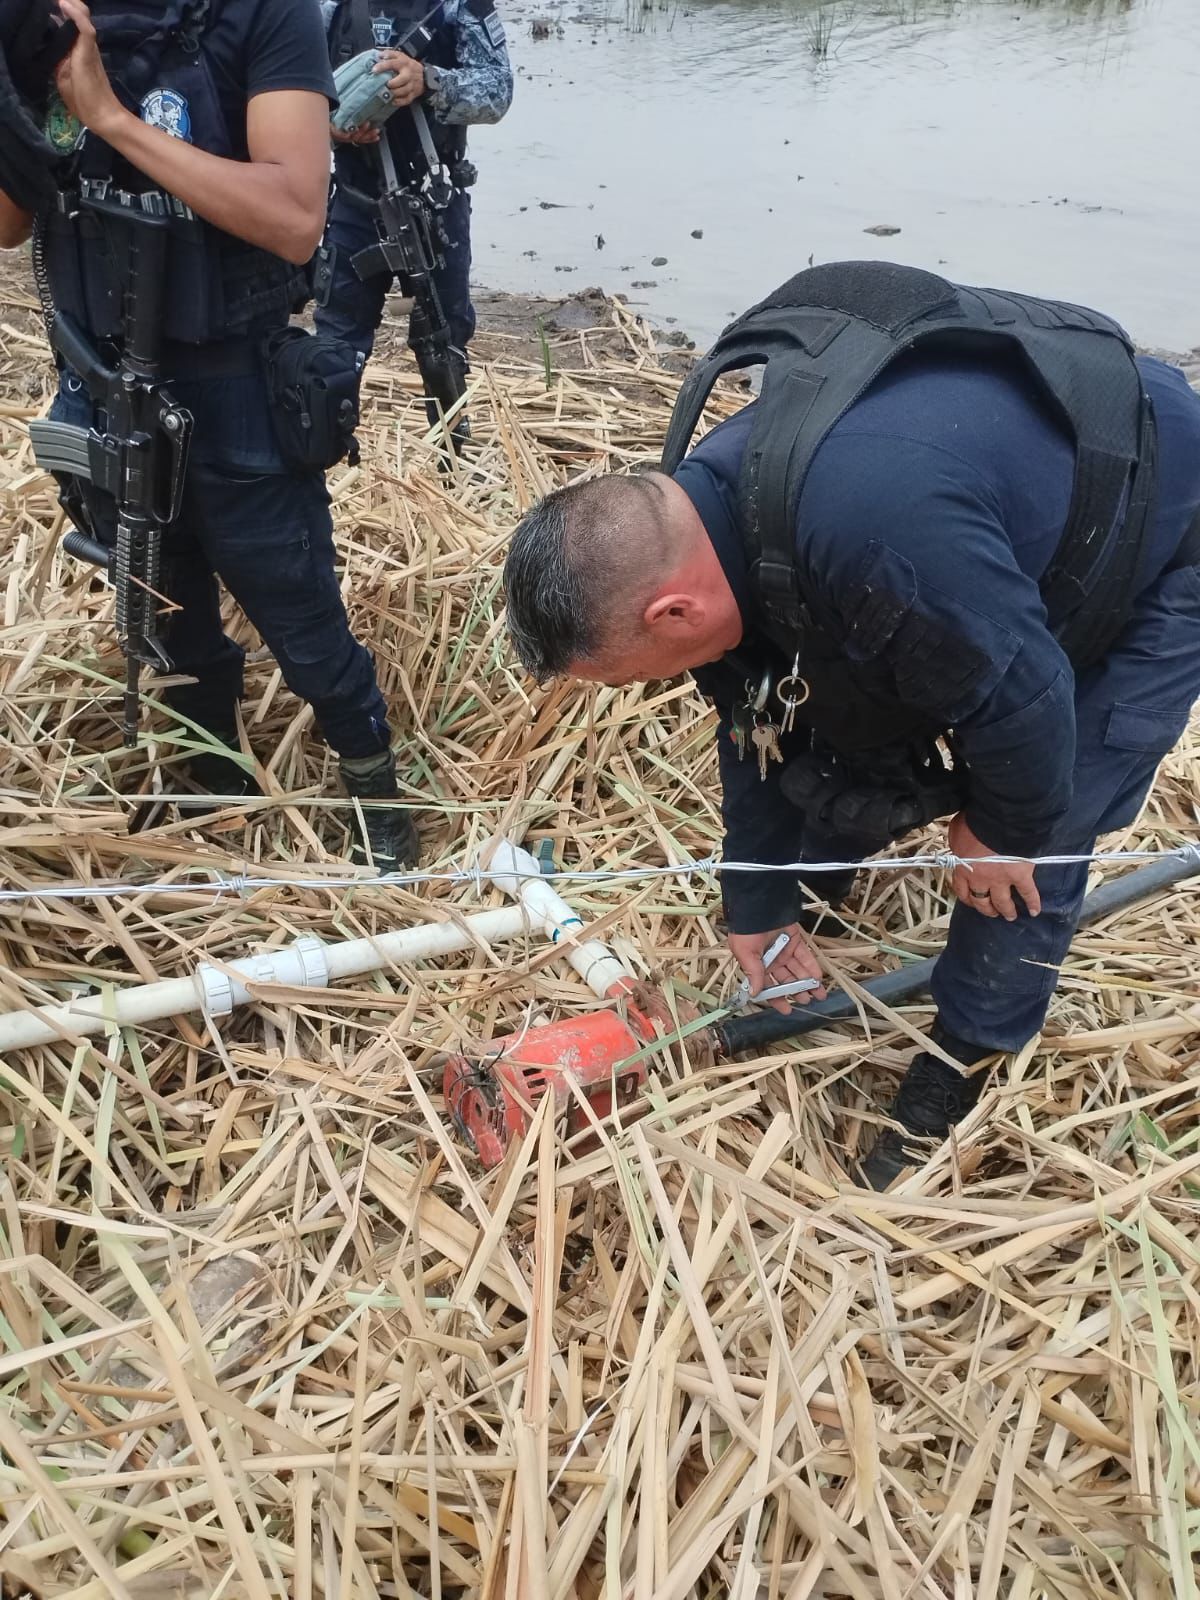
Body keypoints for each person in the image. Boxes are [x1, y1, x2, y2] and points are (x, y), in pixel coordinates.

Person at [501, 261, 1200, 1189]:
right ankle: (821, 897)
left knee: (1040, 822)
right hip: (967, 527)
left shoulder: (876, 536)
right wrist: (761, 899)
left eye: (619, 676)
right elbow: (758, 711)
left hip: (1157, 515)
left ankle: (968, 1055)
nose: (631, 690)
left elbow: (1027, 706)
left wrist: (1001, 830)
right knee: (836, 715)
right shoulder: (708, 517)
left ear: (671, 614)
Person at [0, 0, 418, 868]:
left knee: (298, 613)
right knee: (163, 611)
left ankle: (378, 794)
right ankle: (211, 787)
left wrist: (108, 115)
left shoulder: (262, 14)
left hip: (234, 379)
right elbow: (12, 226)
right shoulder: (45, 19)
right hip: (104, 378)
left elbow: (295, 213)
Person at [313, 0, 512, 438]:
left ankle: (455, 471)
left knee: (443, 346)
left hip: (435, 206)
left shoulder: (459, 7)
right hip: (354, 203)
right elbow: (290, 93)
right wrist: (328, 127)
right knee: (334, 350)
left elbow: (498, 92)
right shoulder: (328, 8)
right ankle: (323, 468)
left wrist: (431, 81)